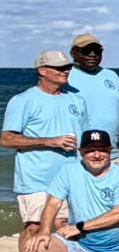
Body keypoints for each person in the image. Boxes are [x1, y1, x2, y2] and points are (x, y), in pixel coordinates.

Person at [4, 48, 89, 230]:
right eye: (59, 68)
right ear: (42, 71)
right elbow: (6, 139)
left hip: (70, 176)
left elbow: (85, 138)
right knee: (34, 227)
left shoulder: (76, 99)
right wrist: (51, 141)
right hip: (36, 179)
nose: (65, 71)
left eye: (67, 67)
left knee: (64, 226)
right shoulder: (23, 100)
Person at [65, 33, 119, 137]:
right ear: (73, 53)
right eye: (87, 50)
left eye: (97, 50)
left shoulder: (111, 75)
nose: (93, 54)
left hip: (111, 148)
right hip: (80, 149)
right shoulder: (65, 76)